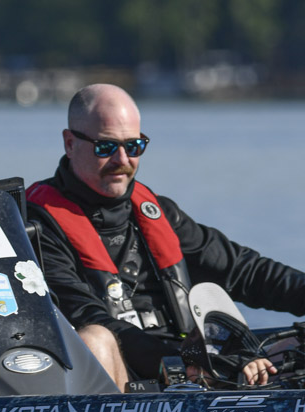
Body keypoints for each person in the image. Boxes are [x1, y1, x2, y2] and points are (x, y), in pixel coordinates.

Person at [26, 83, 305, 389]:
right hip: (123, 383)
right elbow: (83, 314)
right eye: (105, 147)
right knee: (95, 339)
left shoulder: (158, 213)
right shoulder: (36, 225)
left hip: (190, 370)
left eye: (133, 146)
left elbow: (243, 271)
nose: (122, 160)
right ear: (70, 143)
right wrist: (181, 362)